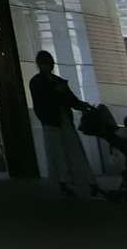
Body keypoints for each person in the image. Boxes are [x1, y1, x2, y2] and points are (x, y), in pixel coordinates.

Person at [28, 49, 98, 198]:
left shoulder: (38, 82)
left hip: (52, 122)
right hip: (59, 120)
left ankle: (65, 184)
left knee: (59, 154)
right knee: (73, 152)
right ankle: (86, 183)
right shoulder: (54, 81)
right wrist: (81, 106)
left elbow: (43, 102)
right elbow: (70, 99)